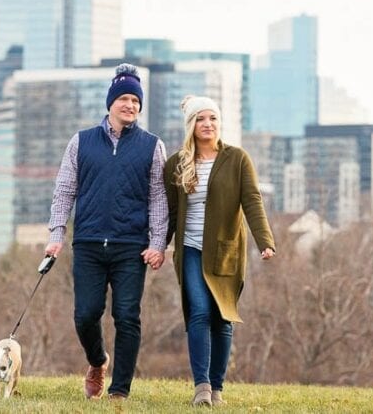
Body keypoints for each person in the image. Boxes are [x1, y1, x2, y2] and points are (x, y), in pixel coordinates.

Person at [44, 63, 168, 401]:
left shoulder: (152, 146)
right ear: (110, 102)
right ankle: (97, 362)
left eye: (136, 101)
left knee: (127, 316)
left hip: (132, 246)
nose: (130, 105)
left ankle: (119, 392)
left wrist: (158, 243)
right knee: (85, 315)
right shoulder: (81, 142)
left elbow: (159, 197)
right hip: (88, 244)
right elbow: (64, 190)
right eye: (124, 99)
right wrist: (56, 234)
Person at [164, 95, 276, 407]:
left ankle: (217, 388)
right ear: (191, 125)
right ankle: (201, 387)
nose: (208, 124)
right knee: (199, 311)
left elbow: (252, 200)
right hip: (190, 249)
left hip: (226, 252)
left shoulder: (237, 159)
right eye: (201, 119)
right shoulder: (176, 164)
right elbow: (170, 214)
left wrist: (264, 241)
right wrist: (158, 246)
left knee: (222, 317)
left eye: (212, 118)